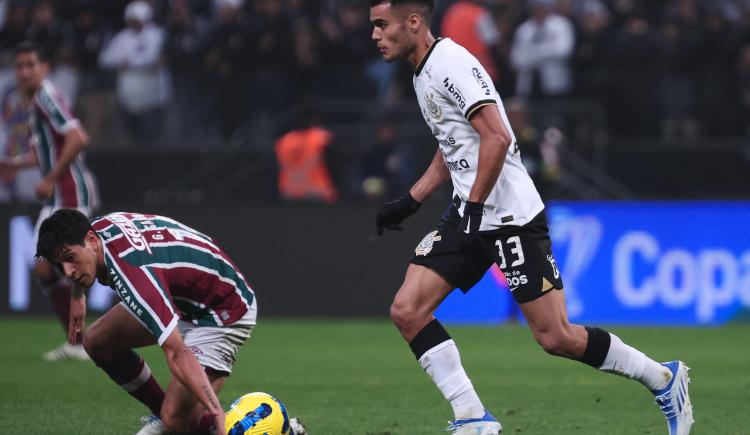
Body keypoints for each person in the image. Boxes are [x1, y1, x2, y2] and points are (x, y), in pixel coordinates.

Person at [368, 1, 694, 434]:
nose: (374, 34)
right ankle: (472, 418)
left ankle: (664, 379)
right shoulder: (422, 70)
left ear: (412, 22)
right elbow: (452, 145)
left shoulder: (451, 63)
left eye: (381, 24)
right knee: (408, 310)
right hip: (470, 212)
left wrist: (474, 207)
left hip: (510, 217)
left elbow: (498, 137)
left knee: (556, 337)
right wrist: (411, 200)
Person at [35, 209, 307, 435]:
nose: (68, 272)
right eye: (60, 266)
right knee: (97, 341)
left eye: (70, 259)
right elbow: (80, 259)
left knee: (178, 420)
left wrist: (215, 412)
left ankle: (281, 430)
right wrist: (78, 295)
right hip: (181, 294)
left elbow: (177, 352)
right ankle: (163, 415)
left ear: (92, 240)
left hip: (221, 310)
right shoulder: (99, 229)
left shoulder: (135, 277)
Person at [0, 41, 99, 361]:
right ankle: (77, 341)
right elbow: (49, 151)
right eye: (20, 65)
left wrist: (50, 177)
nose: (25, 71)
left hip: (70, 194)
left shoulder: (46, 97)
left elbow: (78, 138)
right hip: (61, 194)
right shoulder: (35, 102)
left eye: (31, 64)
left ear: (45, 68)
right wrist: (15, 164)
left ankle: (84, 340)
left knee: (70, 266)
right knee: (46, 269)